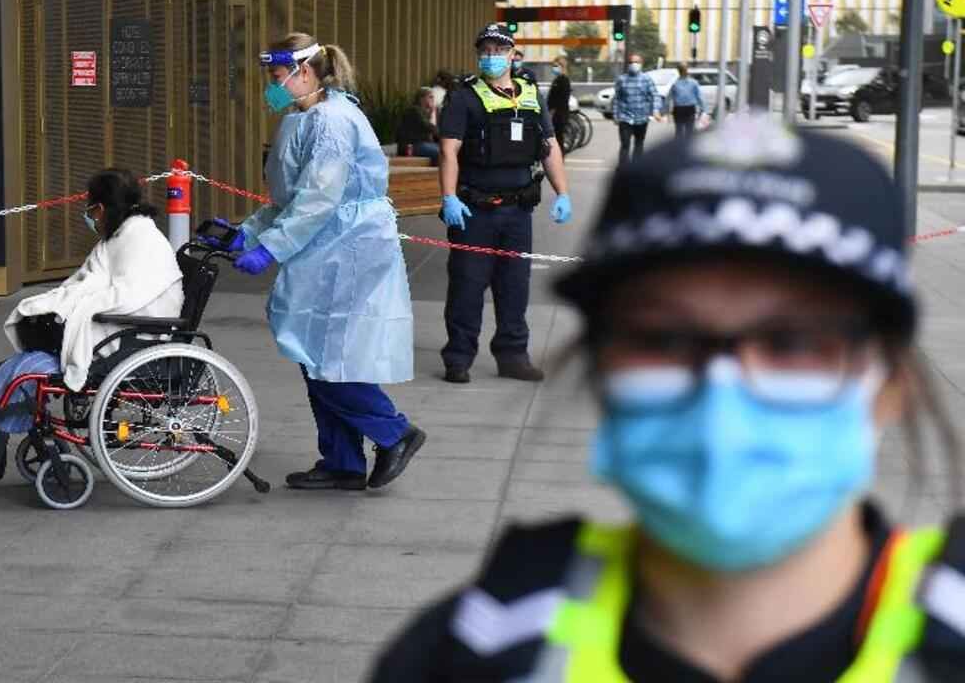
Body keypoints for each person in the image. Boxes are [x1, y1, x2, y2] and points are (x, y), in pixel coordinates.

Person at [369, 114, 965, 681]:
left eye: (794, 342)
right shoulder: (472, 654)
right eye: (663, 338)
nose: (723, 395)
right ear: (603, 373)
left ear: (889, 386)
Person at [214, 32, 425, 491]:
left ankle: (394, 432)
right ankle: (343, 461)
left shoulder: (332, 121)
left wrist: (272, 248)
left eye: (276, 77)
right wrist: (246, 232)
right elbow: (288, 199)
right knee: (318, 357)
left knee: (327, 359)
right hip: (326, 245)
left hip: (347, 246)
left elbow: (318, 199)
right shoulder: (303, 119)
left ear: (303, 71)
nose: (272, 87)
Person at [0, 169, 184, 501]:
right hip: (118, 335)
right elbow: (93, 284)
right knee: (13, 370)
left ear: (102, 208)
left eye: (91, 209)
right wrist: (60, 303)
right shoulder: (125, 235)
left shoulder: (139, 239)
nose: (89, 217)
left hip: (129, 344)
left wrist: (72, 309)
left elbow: (129, 298)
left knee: (20, 372)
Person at [437, 23, 573, 385]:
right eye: (485, 50)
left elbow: (550, 145)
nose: (491, 56)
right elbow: (449, 149)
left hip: (518, 211)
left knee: (515, 286)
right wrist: (448, 196)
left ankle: (513, 355)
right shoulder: (464, 96)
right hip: (474, 210)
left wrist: (563, 192)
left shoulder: (530, 94)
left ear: (514, 54)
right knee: (467, 286)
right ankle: (459, 357)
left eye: (499, 50)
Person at [613, 53, 660, 165]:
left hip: (641, 118)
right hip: (625, 118)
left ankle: (635, 170)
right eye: (631, 62)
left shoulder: (646, 79)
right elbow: (617, 99)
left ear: (641, 64)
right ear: (628, 64)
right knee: (625, 145)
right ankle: (623, 170)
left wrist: (656, 110)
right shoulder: (622, 80)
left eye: (636, 62)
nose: (634, 64)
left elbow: (655, 95)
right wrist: (615, 115)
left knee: (639, 145)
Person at [396, 86, 440, 165]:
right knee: (439, 152)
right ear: (421, 98)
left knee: (446, 150)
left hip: (424, 144)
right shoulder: (414, 111)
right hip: (412, 145)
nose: (433, 100)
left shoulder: (426, 112)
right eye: (430, 97)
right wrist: (433, 113)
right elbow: (429, 127)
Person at [665, 62, 706, 139]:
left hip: (680, 110)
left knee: (680, 131)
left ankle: (678, 148)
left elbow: (668, 99)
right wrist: (703, 109)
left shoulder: (675, 84)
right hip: (686, 109)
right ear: (687, 70)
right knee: (688, 131)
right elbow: (700, 97)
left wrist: (667, 112)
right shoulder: (692, 83)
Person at [547, 55, 573, 152]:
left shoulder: (563, 80)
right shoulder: (558, 79)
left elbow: (560, 100)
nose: (554, 68)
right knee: (557, 137)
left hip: (559, 114)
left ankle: (560, 158)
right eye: (553, 66)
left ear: (562, 67)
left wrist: (552, 113)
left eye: (556, 66)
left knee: (558, 138)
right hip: (557, 113)